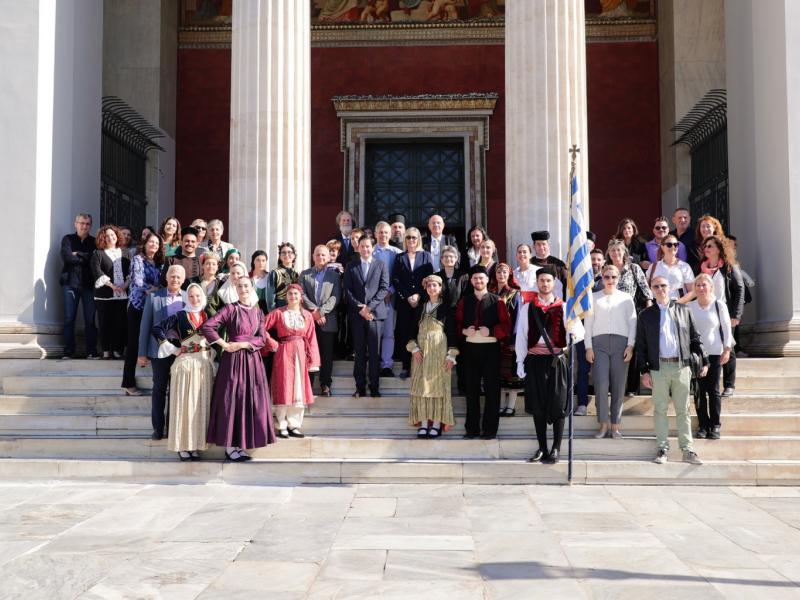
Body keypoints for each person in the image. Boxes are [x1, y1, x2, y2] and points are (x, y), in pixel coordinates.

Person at [201, 277, 278, 461]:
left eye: (246, 286)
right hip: (233, 361)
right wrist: (223, 344)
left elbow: (261, 339)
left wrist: (243, 344)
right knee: (232, 399)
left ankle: (241, 444)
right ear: (235, 288)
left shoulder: (258, 311)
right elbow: (208, 326)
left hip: (252, 360)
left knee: (248, 400)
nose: (243, 289)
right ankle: (229, 446)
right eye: (239, 286)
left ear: (251, 288)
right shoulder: (230, 308)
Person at [636, 275, 705, 465]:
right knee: (660, 409)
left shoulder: (684, 310)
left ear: (670, 287)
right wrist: (644, 371)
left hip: (681, 366)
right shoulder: (645, 315)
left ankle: (688, 450)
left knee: (683, 409)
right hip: (658, 368)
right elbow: (640, 346)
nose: (660, 289)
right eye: (656, 286)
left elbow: (695, 338)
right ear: (652, 289)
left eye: (663, 285)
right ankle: (662, 449)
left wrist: (703, 360)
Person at [515, 266, 580, 464]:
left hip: (556, 361)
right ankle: (542, 448)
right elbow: (522, 336)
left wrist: (575, 333)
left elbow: (578, 331)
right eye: (541, 280)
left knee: (558, 405)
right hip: (535, 361)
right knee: (538, 407)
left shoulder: (565, 307)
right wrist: (520, 361)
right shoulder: (528, 308)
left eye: (548, 281)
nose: (545, 284)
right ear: (537, 283)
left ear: (554, 284)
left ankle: (556, 449)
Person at [151, 283, 215, 461]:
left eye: (198, 296)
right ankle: (183, 445)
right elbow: (156, 329)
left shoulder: (208, 315)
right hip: (186, 364)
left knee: (199, 406)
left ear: (203, 297)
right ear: (187, 298)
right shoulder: (180, 315)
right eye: (192, 296)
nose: (195, 299)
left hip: (203, 365)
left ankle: (195, 444)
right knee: (185, 405)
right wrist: (173, 349)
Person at [455, 265, 511, 440]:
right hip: (470, 349)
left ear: (487, 279)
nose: (478, 281)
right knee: (471, 389)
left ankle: (489, 430)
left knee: (492, 390)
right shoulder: (465, 301)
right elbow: (456, 324)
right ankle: (471, 429)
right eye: (475, 278)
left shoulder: (498, 301)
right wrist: (464, 332)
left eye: (481, 278)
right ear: (471, 281)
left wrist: (493, 331)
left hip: (490, 350)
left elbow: (507, 325)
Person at [584, 264, 637, 439]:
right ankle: (603, 425)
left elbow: (632, 323)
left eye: (613, 277)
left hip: (621, 344)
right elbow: (588, 324)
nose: (610, 280)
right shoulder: (593, 297)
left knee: (618, 385)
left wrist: (630, 345)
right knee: (600, 384)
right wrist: (588, 347)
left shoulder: (626, 298)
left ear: (618, 278)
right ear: (602, 278)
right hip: (598, 344)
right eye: (606, 277)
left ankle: (615, 426)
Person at [263, 284, 320, 438]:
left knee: (298, 388)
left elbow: (311, 338)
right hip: (283, 352)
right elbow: (261, 327)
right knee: (283, 385)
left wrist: (313, 360)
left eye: (295, 294)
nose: (293, 296)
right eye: (290, 294)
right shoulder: (278, 313)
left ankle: (294, 425)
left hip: (301, 352)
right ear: (285, 296)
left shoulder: (307, 315)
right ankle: (281, 424)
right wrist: (271, 343)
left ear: (301, 297)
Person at [407, 274, 459, 438]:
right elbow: (411, 332)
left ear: (440, 288)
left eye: (435, 285)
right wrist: (414, 348)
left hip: (439, 351)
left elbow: (452, 333)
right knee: (421, 386)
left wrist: (451, 355)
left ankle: (436, 424)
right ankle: (423, 424)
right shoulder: (421, 308)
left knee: (438, 387)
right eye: (429, 286)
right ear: (426, 288)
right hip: (421, 352)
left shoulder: (446, 308)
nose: (432, 288)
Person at [138, 265, 186, 440]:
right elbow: (145, 326)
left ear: (183, 279)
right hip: (159, 350)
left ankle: (172, 427)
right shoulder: (154, 298)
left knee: (176, 390)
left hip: (180, 351)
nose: (175, 279)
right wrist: (142, 353)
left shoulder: (188, 297)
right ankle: (158, 428)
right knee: (159, 389)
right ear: (166, 277)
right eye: (172, 276)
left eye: (179, 277)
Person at [688, 273, 734, 440]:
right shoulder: (690, 307)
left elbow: (727, 328)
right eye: (698, 285)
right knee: (699, 392)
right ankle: (703, 425)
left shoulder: (718, 305)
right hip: (696, 355)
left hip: (715, 353)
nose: (701, 288)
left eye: (704, 285)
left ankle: (715, 425)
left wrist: (727, 349)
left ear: (711, 287)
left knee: (713, 391)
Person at [343, 235, 390, 397]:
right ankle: (360, 387)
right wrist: (360, 307)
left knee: (375, 353)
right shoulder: (351, 265)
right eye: (362, 246)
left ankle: (375, 386)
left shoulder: (381, 265)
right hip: (357, 316)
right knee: (360, 352)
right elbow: (347, 289)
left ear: (372, 247)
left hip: (375, 315)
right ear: (358, 247)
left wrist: (369, 308)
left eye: (368, 246)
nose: (365, 249)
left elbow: (384, 288)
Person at [699, 235, 745, 398]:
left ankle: (729, 385)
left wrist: (736, 314)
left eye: (710, 246)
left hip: (725, 313)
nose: (706, 248)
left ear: (719, 249)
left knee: (728, 347)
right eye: (706, 246)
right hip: (708, 313)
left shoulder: (729, 267)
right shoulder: (703, 268)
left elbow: (740, 290)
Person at [606, 239, 652, 396]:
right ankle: (614, 388)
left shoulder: (634, 268)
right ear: (609, 253)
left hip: (630, 315)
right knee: (614, 351)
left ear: (624, 252)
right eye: (612, 250)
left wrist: (649, 313)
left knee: (632, 351)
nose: (616, 253)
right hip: (610, 317)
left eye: (618, 250)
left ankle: (632, 388)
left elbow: (646, 291)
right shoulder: (606, 271)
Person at [121, 232, 164, 396]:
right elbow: (137, 282)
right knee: (133, 343)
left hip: (152, 307)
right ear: (145, 244)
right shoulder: (138, 259)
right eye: (151, 242)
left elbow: (161, 283)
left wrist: (157, 289)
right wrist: (152, 289)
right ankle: (127, 382)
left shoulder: (158, 263)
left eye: (157, 243)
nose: (154, 245)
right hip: (137, 306)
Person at [392, 227, 434, 379]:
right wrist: (407, 296)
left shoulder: (426, 256)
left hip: (421, 302)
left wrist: (419, 295)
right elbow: (395, 279)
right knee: (404, 333)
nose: (411, 240)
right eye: (408, 237)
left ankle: (421, 367)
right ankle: (405, 366)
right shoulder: (399, 257)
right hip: (404, 303)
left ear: (418, 240)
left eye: (414, 238)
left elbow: (430, 278)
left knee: (420, 333)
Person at [300, 245, 341, 397]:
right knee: (308, 353)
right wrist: (315, 312)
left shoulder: (334, 276)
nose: (321, 258)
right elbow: (302, 295)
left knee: (326, 355)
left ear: (329, 257)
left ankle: (325, 384)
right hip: (309, 322)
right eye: (318, 255)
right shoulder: (304, 275)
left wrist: (321, 311)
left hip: (327, 321)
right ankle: (308, 385)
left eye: (324, 255)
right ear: (313, 256)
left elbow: (335, 297)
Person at [59, 213, 98, 360]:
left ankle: (91, 351)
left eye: (87, 224)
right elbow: (66, 257)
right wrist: (84, 256)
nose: (84, 226)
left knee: (90, 319)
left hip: (88, 285)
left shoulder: (94, 242)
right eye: (82, 223)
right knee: (69, 318)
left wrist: (78, 254)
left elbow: (93, 259)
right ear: (76, 224)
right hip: (70, 283)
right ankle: (69, 351)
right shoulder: (67, 239)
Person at [90, 224, 130, 359]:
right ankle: (106, 350)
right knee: (104, 323)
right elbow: (97, 271)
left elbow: (131, 271)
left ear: (117, 236)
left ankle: (118, 350)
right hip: (104, 295)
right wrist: (112, 286)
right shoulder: (97, 253)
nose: (110, 237)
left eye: (112, 235)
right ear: (103, 238)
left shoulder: (126, 252)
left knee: (120, 323)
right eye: (107, 236)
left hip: (122, 294)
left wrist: (125, 285)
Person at [491, 263, 523, 417]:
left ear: (509, 274)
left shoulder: (514, 293)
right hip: (493, 338)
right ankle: (501, 405)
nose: (501, 274)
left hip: (509, 338)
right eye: (498, 271)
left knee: (510, 374)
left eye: (504, 272)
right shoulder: (490, 292)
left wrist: (514, 340)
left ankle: (510, 406)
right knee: (498, 374)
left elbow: (518, 317)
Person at [373, 221, 402, 377]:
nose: (383, 235)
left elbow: (398, 276)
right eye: (380, 232)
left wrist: (390, 290)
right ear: (375, 234)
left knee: (389, 333)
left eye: (386, 232)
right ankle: (373, 363)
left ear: (390, 234)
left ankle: (386, 365)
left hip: (391, 298)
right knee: (374, 333)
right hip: (373, 300)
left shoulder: (397, 253)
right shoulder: (369, 252)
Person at [645, 234, 695, 303]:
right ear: (662, 247)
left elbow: (692, 291)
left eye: (676, 244)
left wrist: (677, 304)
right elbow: (646, 289)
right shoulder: (654, 266)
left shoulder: (684, 266)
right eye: (669, 245)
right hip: (658, 306)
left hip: (678, 307)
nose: (673, 247)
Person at [530, 231, 566, 297]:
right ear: (533, 246)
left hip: (556, 304)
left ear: (548, 245)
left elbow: (566, 285)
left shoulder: (558, 264)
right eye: (538, 244)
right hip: (534, 304)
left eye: (544, 244)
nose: (541, 247)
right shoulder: (529, 263)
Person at [269, 242, 300, 308]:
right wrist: (273, 312)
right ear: (280, 256)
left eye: (289, 252)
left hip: (296, 307)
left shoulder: (298, 273)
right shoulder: (275, 273)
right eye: (283, 253)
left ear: (294, 255)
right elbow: (270, 297)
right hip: (280, 307)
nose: (286, 255)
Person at [250, 250, 276, 314]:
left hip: (269, 311)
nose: (261, 263)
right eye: (258, 260)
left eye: (263, 260)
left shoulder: (271, 277)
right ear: (253, 261)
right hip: (252, 311)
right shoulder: (248, 277)